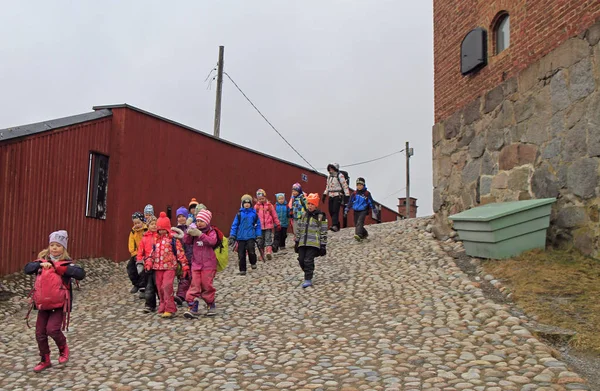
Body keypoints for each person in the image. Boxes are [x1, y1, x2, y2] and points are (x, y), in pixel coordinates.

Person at [24, 230, 86, 372]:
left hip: (59, 304)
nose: (54, 248)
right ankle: (45, 359)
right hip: (43, 304)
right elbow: (27, 268)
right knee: (40, 332)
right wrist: (40, 265)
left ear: (63, 248)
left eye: (58, 245)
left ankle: (63, 348)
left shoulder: (67, 263)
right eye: (52, 245)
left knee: (52, 329)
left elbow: (80, 274)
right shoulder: (41, 262)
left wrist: (60, 268)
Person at [183, 209, 218, 318]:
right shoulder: (194, 230)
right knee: (195, 285)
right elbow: (186, 241)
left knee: (206, 285)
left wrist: (200, 234)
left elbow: (212, 241)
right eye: (197, 221)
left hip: (209, 265)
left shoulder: (211, 231)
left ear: (207, 221)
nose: (199, 223)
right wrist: (188, 231)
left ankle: (210, 303)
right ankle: (192, 305)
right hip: (196, 264)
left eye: (201, 221)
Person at [294, 194, 328, 288]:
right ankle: (309, 272)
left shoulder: (320, 216)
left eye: (312, 204)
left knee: (308, 260)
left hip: (313, 243)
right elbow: (299, 228)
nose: (310, 206)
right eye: (308, 204)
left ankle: (308, 278)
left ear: (316, 205)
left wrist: (323, 245)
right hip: (302, 242)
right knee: (301, 260)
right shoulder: (304, 215)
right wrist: (297, 241)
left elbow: (323, 231)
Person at [229, 194, 261, 275]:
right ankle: (242, 269)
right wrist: (232, 236)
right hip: (241, 237)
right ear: (242, 204)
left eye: (248, 203)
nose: (247, 204)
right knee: (241, 254)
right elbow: (234, 225)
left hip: (251, 236)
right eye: (245, 203)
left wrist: (259, 235)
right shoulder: (239, 214)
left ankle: (253, 262)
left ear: (251, 204)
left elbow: (258, 226)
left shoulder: (254, 214)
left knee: (251, 251)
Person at [321, 163, 350, 232]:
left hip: (338, 195)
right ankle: (337, 224)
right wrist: (325, 194)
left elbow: (344, 186)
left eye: (332, 168)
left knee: (335, 210)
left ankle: (335, 225)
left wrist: (347, 195)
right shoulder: (329, 177)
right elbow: (327, 186)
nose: (330, 170)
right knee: (330, 210)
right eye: (329, 169)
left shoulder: (340, 176)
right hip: (330, 195)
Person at [173, 207, 193, 306]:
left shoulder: (189, 229)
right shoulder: (175, 231)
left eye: (183, 216)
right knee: (183, 277)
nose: (181, 218)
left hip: (190, 256)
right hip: (180, 257)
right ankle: (182, 295)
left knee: (188, 277)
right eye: (179, 217)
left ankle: (183, 295)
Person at [254, 189, 281, 260]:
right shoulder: (256, 207)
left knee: (268, 239)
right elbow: (254, 217)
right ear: (257, 199)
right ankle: (262, 255)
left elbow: (274, 215)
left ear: (265, 197)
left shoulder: (269, 206)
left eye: (263, 198)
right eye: (260, 199)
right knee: (260, 241)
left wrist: (277, 223)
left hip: (268, 226)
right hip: (259, 227)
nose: (261, 200)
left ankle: (268, 252)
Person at [127, 212, 147, 294]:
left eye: (138, 223)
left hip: (145, 254)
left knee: (142, 269)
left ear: (142, 222)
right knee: (130, 268)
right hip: (136, 253)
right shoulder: (133, 232)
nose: (137, 225)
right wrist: (134, 253)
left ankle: (143, 286)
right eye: (135, 223)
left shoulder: (146, 230)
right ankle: (136, 284)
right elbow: (131, 243)